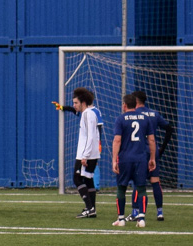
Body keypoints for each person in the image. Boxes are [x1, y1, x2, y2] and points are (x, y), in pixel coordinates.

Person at [54, 88, 102, 218]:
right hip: (92, 153)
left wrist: (84, 156)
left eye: (76, 103)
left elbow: (91, 136)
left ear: (83, 102)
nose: (74, 105)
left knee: (77, 179)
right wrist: (63, 108)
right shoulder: (90, 113)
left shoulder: (87, 114)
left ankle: (89, 208)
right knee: (88, 179)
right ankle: (92, 209)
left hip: (86, 154)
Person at [112, 92, 155, 228]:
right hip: (141, 159)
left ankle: (121, 219)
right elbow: (151, 140)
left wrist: (114, 160)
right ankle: (141, 219)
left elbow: (117, 140)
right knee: (141, 188)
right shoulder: (145, 118)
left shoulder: (120, 119)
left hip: (125, 159)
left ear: (124, 105)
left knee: (121, 188)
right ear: (135, 105)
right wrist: (152, 158)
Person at [131, 90, 165, 221]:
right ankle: (160, 212)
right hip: (153, 151)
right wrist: (161, 149)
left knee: (138, 182)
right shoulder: (154, 113)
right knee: (155, 180)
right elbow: (169, 129)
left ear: (136, 101)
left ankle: (135, 212)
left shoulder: (133, 114)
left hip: (139, 152)